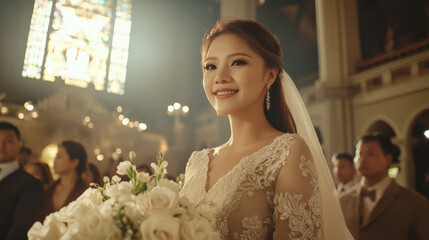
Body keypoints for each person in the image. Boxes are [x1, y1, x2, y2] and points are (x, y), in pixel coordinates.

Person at [180, 19, 353, 239]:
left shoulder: (287, 152)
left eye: (238, 62)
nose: (220, 76)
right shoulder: (198, 161)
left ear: (270, 75)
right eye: (210, 66)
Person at [339, 134, 429, 239]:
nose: (362, 159)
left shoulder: (415, 202)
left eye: (370, 154)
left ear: (388, 159)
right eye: (359, 154)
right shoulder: (342, 200)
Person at [0, 122, 44, 240]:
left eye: (8, 140)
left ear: (19, 145)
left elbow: (21, 228)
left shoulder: (31, 184)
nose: (1, 145)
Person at [42, 140, 88, 218]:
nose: (55, 160)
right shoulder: (49, 189)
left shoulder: (85, 193)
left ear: (74, 162)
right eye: (55, 157)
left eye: (59, 156)